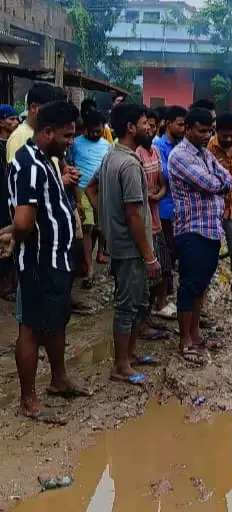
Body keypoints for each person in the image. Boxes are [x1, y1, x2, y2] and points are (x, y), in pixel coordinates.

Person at [8, 100, 83, 423]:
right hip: (39, 263)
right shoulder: (29, 165)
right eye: (67, 136)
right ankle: (29, 400)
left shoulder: (46, 160)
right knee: (31, 329)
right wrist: (23, 243)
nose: (70, 142)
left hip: (56, 259)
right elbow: (24, 222)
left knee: (56, 320)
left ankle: (59, 379)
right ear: (48, 132)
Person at [85, 104, 160, 386]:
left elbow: (91, 188)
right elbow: (133, 214)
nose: (150, 128)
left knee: (135, 302)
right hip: (131, 249)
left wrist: (106, 221)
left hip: (120, 244)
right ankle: (121, 365)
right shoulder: (128, 164)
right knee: (126, 306)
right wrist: (149, 256)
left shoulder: (111, 156)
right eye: (145, 123)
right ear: (131, 127)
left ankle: (130, 354)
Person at [168, 107, 232, 361]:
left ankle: (195, 333)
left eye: (209, 131)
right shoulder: (179, 156)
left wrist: (218, 185)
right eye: (202, 130)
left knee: (201, 286)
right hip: (192, 230)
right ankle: (185, 339)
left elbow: (228, 178)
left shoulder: (205, 154)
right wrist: (218, 185)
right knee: (189, 286)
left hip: (211, 229)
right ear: (188, 129)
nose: (207, 135)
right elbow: (210, 183)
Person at [135, 109, 172, 338]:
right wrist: (151, 194)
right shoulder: (136, 155)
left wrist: (159, 194)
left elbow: (162, 182)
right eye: (145, 124)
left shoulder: (156, 152)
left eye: (152, 124)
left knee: (160, 269)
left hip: (156, 218)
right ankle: (141, 322)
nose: (149, 128)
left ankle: (149, 316)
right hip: (144, 222)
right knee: (146, 275)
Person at [207, 112, 232, 299]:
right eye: (225, 136)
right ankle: (207, 289)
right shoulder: (209, 148)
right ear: (217, 132)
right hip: (213, 211)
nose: (230, 139)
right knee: (210, 255)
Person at [69, 108, 111, 288]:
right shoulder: (75, 144)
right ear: (85, 128)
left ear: (103, 128)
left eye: (98, 130)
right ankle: (89, 268)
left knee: (98, 229)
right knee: (87, 226)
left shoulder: (107, 146)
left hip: (102, 192)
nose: (95, 134)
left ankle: (90, 259)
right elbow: (70, 166)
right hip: (81, 190)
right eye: (91, 130)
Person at [153, 105, 186, 315]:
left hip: (176, 208)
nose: (183, 128)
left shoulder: (178, 145)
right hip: (163, 209)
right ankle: (160, 302)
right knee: (164, 255)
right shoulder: (158, 145)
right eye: (180, 124)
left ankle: (164, 297)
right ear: (168, 123)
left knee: (171, 254)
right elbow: (166, 173)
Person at [6, 83, 64, 163]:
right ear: (34, 108)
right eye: (49, 109)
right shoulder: (18, 137)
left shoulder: (47, 133)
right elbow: (18, 173)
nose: (53, 114)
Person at [0, 105, 19, 300]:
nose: (14, 123)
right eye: (10, 119)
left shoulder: (13, 144)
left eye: (16, 119)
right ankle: (5, 285)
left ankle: (10, 282)